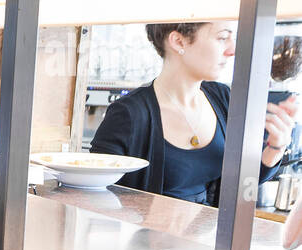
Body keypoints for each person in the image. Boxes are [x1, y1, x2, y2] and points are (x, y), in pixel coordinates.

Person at [91, 21, 297, 205]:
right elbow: (93, 196)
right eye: (222, 38)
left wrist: (275, 148)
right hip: (147, 246)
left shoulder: (223, 98)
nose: (232, 50)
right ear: (179, 42)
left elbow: (242, 190)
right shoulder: (129, 113)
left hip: (210, 244)